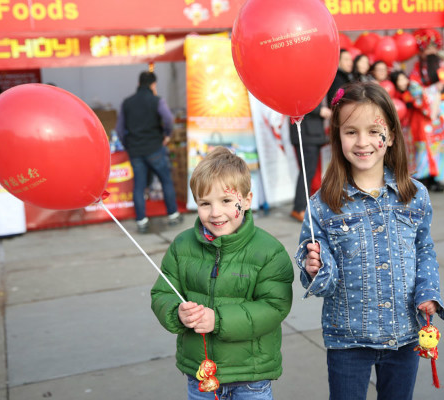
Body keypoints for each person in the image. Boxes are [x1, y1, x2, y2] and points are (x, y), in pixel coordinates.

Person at [295, 82, 444, 400]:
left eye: (373, 131)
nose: (362, 142)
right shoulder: (321, 204)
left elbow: (424, 248)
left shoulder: (415, 195)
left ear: (390, 135)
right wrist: (316, 268)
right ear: (338, 137)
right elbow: (322, 284)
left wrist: (429, 292)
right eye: (351, 132)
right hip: (348, 340)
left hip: (405, 334)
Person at [151, 146, 294, 400]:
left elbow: (274, 307)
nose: (215, 213)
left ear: (246, 200)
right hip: (201, 376)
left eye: (226, 201)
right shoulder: (182, 247)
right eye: (205, 203)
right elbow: (163, 292)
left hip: (251, 377)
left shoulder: (269, 251)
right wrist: (177, 312)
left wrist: (218, 320)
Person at [116, 71, 183, 232]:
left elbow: (119, 129)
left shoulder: (127, 103)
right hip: (155, 149)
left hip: (136, 151)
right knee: (166, 180)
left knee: (139, 185)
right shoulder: (157, 100)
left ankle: (141, 221)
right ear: (153, 85)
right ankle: (173, 215)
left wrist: (128, 145)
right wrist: (166, 135)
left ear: (139, 84)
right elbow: (168, 119)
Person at [408, 49, 444, 193]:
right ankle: (424, 177)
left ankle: (439, 177)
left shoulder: (442, 66)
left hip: (441, 111)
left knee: (442, 144)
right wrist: (433, 89)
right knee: (425, 145)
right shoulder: (417, 69)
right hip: (426, 112)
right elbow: (415, 89)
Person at [289, 103, 331, 222]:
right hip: (307, 134)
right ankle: (299, 208)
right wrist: (320, 110)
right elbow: (299, 102)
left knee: (308, 172)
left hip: (311, 134)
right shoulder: (299, 88)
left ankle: (301, 207)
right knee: (306, 172)